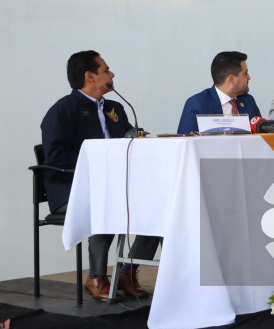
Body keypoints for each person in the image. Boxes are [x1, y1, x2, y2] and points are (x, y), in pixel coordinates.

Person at [41, 51, 160, 300]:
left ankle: (128, 271)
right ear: (90, 76)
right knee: (105, 204)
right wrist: (101, 163)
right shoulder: (62, 110)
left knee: (160, 206)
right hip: (72, 190)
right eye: (106, 70)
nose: (112, 74)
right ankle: (96, 277)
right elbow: (56, 157)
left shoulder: (115, 108)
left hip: (113, 187)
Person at [177, 51, 261, 134]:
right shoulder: (197, 104)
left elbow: (261, 136)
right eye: (245, 73)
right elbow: (185, 142)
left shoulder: (248, 101)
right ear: (231, 79)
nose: (249, 77)